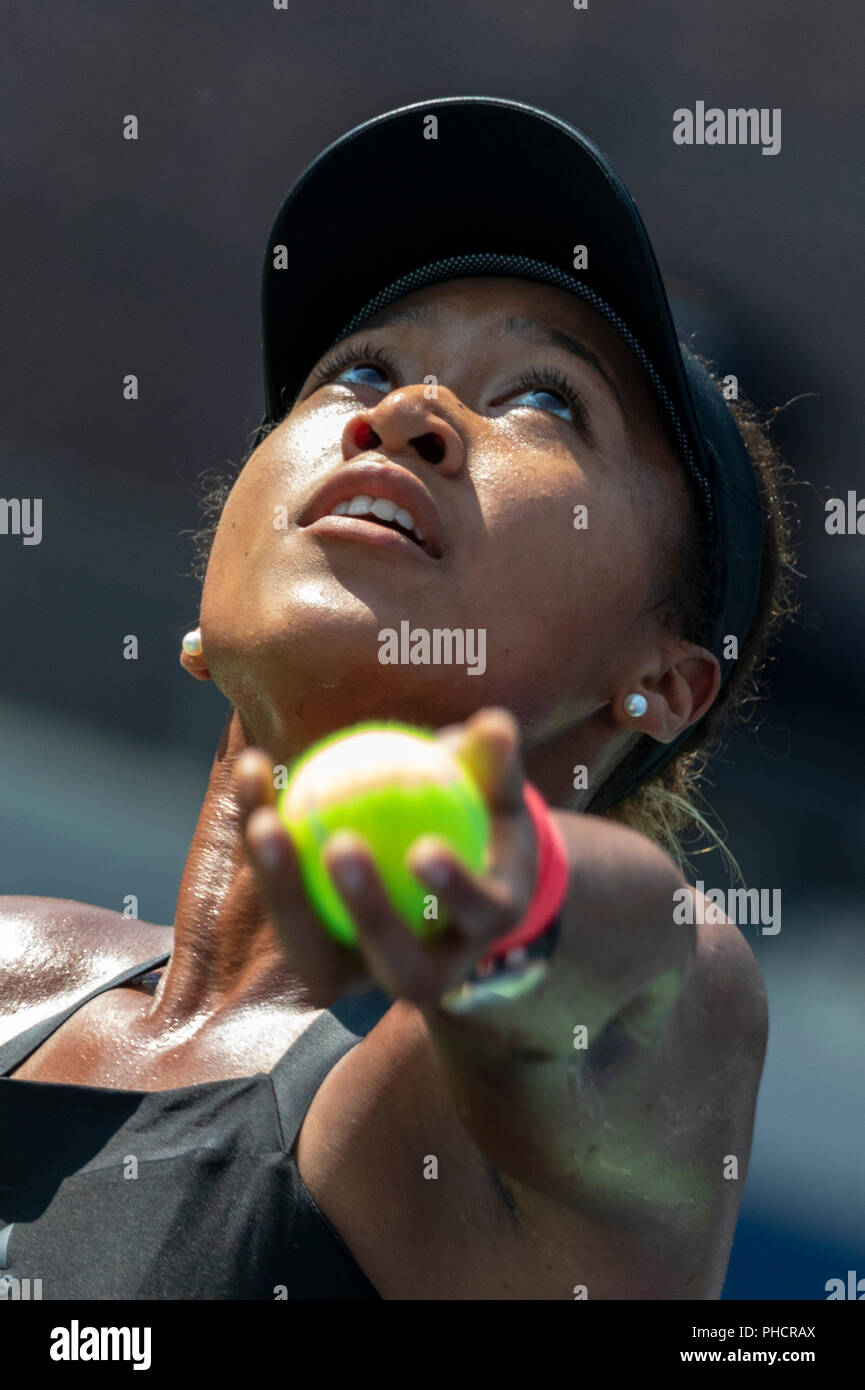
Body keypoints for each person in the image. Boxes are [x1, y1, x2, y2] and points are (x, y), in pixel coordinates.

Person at [0, 96, 795, 1300]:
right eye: (361, 369)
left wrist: (512, 896)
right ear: (204, 616)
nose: (407, 412)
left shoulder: (485, 1133)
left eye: (543, 399)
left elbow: (659, 978)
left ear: (660, 683)